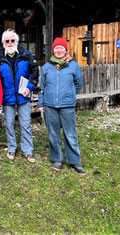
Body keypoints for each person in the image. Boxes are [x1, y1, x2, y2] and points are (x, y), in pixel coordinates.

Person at [37, 37, 87, 175]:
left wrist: (69, 95)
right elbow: (42, 87)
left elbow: (78, 84)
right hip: (50, 105)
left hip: (67, 106)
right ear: (53, 50)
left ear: (66, 50)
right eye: (56, 48)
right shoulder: (47, 67)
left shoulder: (73, 65)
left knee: (70, 134)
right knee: (53, 134)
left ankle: (74, 162)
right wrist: (41, 103)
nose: (59, 50)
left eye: (61, 48)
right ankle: (57, 159)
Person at [0, 29, 39, 163]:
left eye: (12, 40)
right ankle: (11, 148)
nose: (10, 43)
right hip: (7, 97)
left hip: (23, 95)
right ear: (3, 42)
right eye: (7, 41)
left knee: (25, 124)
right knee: (9, 124)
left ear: (17, 41)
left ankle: (28, 151)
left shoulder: (26, 55)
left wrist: (30, 87)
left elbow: (34, 71)